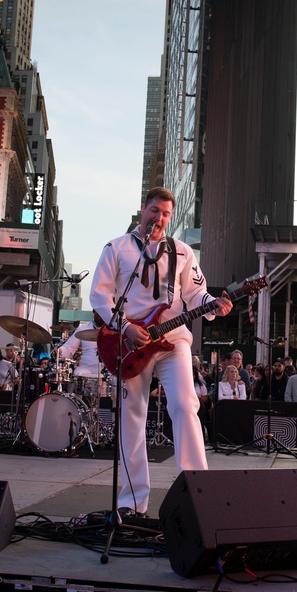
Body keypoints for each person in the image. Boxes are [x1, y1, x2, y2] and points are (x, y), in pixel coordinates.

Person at [89, 186, 233, 516]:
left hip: (173, 341)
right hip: (129, 343)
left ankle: (199, 494)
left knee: (185, 405)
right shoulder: (117, 248)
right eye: (155, 210)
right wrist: (125, 326)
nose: (160, 218)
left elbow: (197, 295)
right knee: (131, 418)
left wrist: (215, 305)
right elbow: (100, 296)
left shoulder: (182, 251)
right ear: (143, 209)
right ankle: (132, 502)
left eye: (166, 213)